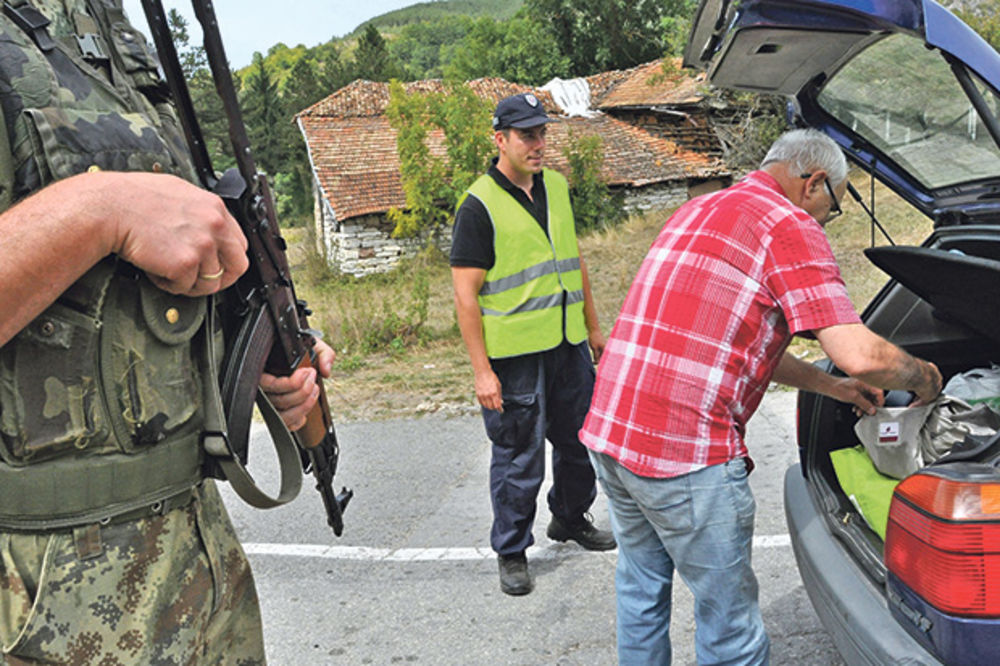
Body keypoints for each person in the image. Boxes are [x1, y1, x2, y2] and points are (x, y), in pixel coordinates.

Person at [0, 1, 331, 663]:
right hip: (42, 603)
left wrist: (250, 351)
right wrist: (99, 209)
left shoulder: (112, 24)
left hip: (199, 559)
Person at [579, 129, 942, 664]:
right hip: (682, 457)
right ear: (812, 181)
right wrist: (927, 378)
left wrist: (830, 386)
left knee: (640, 589)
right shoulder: (789, 224)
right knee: (730, 632)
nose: (824, 219)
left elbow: (732, 344)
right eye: (832, 206)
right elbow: (860, 354)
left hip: (611, 433)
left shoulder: (699, 209)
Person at [451, 92, 616, 597]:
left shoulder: (558, 187)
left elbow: (574, 261)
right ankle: (512, 550)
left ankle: (568, 517)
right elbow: (465, 295)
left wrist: (592, 328)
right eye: (527, 135)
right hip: (515, 355)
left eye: (542, 133)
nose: (538, 143)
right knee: (519, 454)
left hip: (566, 343)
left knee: (580, 439)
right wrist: (482, 371)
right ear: (499, 139)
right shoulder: (479, 204)